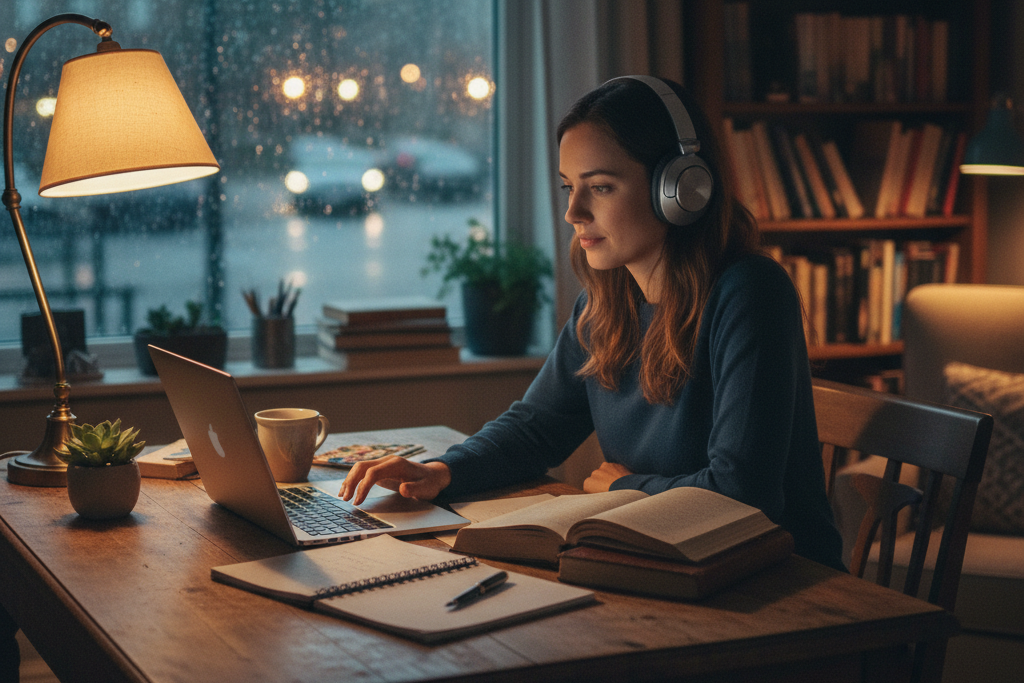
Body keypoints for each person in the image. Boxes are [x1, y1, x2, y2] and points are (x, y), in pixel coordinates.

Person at [341, 76, 845, 571]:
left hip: (778, 581)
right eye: (568, 187)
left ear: (681, 187)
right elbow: (536, 430)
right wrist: (443, 470)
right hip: (658, 560)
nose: (573, 212)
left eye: (600, 186)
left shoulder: (751, 292)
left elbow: (742, 493)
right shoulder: (604, 303)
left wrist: (624, 488)